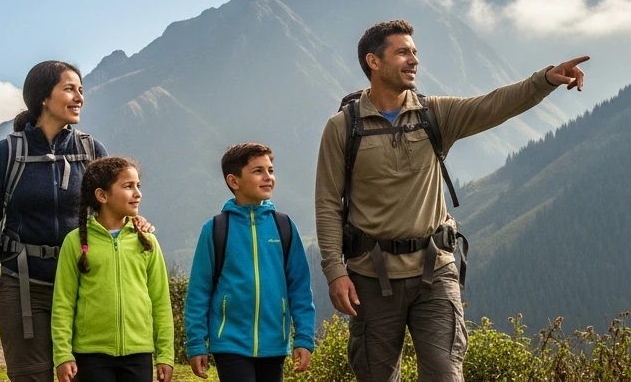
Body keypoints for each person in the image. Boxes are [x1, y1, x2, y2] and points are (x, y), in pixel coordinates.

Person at [314, 20, 589, 381]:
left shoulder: (434, 114)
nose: (413, 59)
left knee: (445, 374)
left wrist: (546, 80)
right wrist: (335, 272)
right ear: (374, 62)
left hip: (435, 271)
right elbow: (328, 203)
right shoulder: (342, 127)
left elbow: (494, 105)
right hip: (370, 275)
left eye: (414, 52)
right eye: (402, 52)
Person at [0, 60, 155, 382]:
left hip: (86, 287)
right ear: (43, 97)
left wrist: (137, 224)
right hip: (24, 286)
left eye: (81, 90)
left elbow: (114, 204)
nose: (79, 97)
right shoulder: (6, 153)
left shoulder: (90, 150)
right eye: (69, 89)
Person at [184, 143, 317, 381]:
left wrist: (304, 337)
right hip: (230, 343)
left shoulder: (284, 226)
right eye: (258, 171)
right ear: (234, 181)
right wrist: (196, 343)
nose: (268, 177)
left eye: (270, 170)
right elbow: (199, 291)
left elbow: (299, 287)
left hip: (274, 343)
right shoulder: (216, 229)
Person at [51, 157, 175, 382]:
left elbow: (160, 302)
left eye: (138, 185)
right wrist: (63, 354)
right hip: (91, 354)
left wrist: (165, 355)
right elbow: (63, 303)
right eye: (128, 186)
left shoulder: (147, 241)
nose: (137, 193)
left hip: (139, 353)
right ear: (102, 195)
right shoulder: (75, 242)